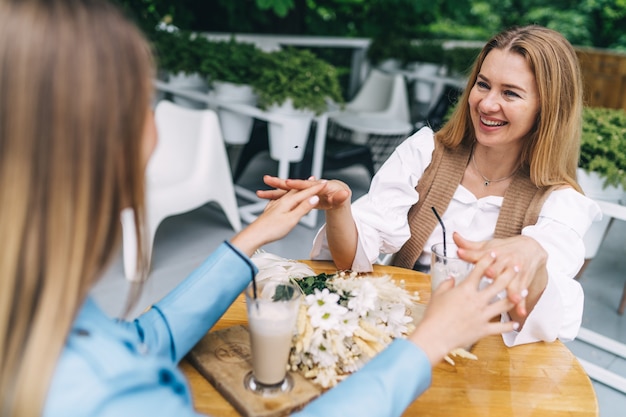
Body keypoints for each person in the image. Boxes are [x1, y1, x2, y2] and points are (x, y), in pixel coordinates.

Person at [0, 1, 519, 417]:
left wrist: (248, 241)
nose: (157, 133)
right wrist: (424, 346)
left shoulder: (40, 315)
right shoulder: (99, 393)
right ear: (81, 156)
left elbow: (137, 342)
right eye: (145, 105)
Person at [262, 25, 602, 347]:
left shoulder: (560, 203)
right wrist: (341, 210)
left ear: (548, 109)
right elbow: (352, 260)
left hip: (483, 360)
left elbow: (547, 316)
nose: (485, 103)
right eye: (482, 85)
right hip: (398, 335)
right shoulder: (425, 152)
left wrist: (535, 257)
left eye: (510, 93)